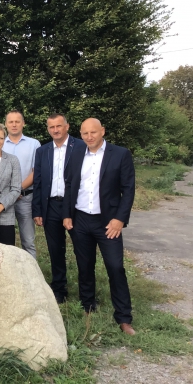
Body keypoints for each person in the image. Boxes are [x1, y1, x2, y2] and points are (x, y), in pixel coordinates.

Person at [63, 118, 136, 335]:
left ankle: (124, 317)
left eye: (93, 132)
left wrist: (120, 219)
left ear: (102, 131)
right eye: (85, 133)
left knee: (115, 266)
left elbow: (128, 189)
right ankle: (87, 305)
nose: (89, 137)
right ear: (81, 134)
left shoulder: (120, 154)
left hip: (108, 222)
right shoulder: (76, 153)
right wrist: (67, 214)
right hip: (81, 219)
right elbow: (69, 184)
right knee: (85, 265)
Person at [32, 114, 86, 303]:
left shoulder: (81, 146)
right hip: (51, 205)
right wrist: (37, 209)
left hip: (76, 205)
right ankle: (59, 290)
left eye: (59, 126)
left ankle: (86, 294)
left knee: (82, 250)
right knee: (55, 250)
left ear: (67, 126)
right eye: (51, 127)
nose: (55, 130)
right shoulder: (43, 151)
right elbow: (38, 181)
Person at [2, 110, 41, 258]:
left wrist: (17, 190)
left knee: (28, 241)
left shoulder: (34, 144)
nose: (14, 125)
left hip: (25, 198)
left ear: (23, 123)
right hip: (4, 199)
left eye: (17, 121)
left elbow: (36, 172)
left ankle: (31, 271)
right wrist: (10, 194)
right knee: (5, 242)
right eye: (10, 122)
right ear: (6, 124)